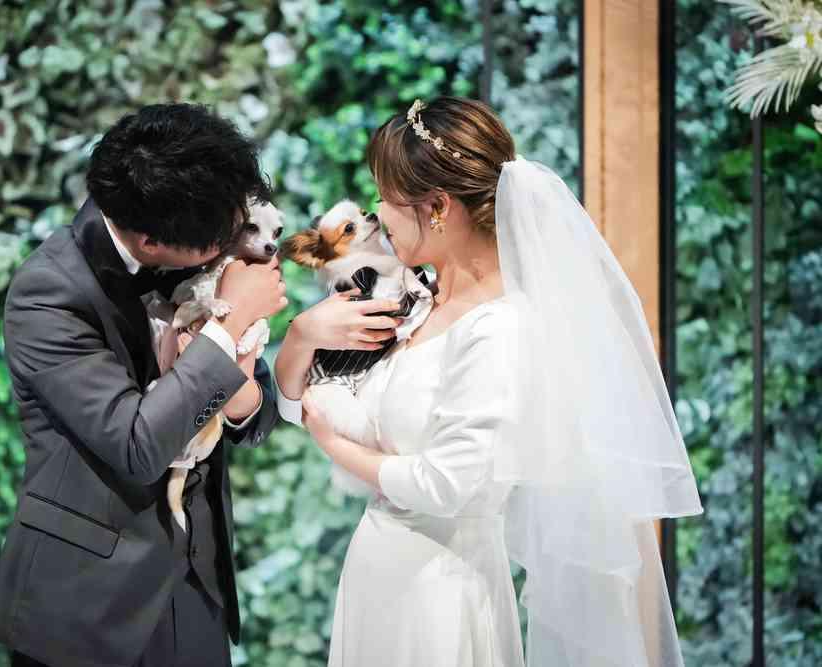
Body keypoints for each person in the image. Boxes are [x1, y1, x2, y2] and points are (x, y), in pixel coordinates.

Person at [274, 96, 703, 667]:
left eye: (386, 198)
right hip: (383, 573)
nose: (377, 214)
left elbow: (446, 486)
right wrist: (302, 336)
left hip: (438, 590)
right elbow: (298, 405)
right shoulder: (418, 300)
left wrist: (332, 443)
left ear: (438, 207)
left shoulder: (500, 328)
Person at [0, 103, 285, 667]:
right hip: (87, 601)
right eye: (221, 236)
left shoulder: (192, 242)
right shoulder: (48, 292)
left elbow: (255, 416)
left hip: (196, 587)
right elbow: (137, 445)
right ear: (149, 242)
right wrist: (231, 321)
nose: (231, 244)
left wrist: (245, 389)